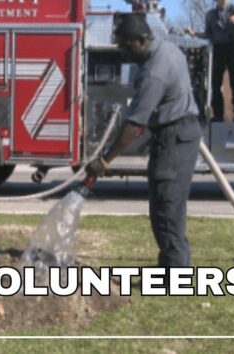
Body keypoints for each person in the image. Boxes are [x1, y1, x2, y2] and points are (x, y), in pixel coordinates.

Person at [86, 13, 202, 270]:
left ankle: (175, 276)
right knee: (171, 206)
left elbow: (134, 125)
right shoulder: (170, 49)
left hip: (174, 137)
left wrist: (104, 160)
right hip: (180, 133)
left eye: (126, 45)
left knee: (166, 206)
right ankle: (173, 268)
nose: (122, 51)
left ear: (140, 40)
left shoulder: (154, 72)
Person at [186, 0, 234, 122]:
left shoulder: (233, 7)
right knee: (216, 83)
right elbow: (208, 34)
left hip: (233, 48)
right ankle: (218, 115)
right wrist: (194, 34)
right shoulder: (210, 14)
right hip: (218, 49)